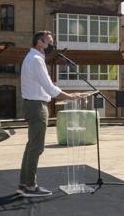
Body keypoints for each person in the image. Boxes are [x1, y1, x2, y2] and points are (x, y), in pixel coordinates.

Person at [19, 30, 83, 197]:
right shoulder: (36, 60)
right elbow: (49, 88)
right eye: (49, 42)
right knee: (36, 147)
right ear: (40, 42)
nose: (52, 46)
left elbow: (46, 87)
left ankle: (23, 184)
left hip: (32, 104)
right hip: (37, 106)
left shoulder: (32, 58)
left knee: (31, 146)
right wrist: (70, 96)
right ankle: (30, 186)